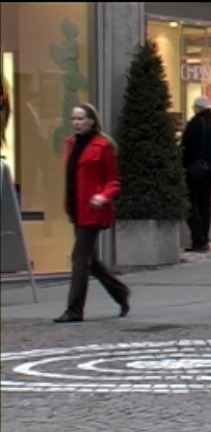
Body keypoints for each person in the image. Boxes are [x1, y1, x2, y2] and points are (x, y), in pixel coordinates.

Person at [54, 103, 130, 323]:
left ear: (91, 121)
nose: (76, 123)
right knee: (91, 260)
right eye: (73, 119)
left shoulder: (103, 146)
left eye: (80, 119)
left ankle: (74, 309)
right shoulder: (71, 144)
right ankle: (120, 292)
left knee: (79, 258)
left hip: (92, 209)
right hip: (76, 207)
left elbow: (114, 180)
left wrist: (102, 196)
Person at [181, 95, 211, 252]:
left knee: (191, 205)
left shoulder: (196, 124)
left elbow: (187, 147)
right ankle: (204, 237)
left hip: (194, 171)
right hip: (209, 171)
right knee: (205, 205)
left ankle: (198, 239)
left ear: (198, 108)